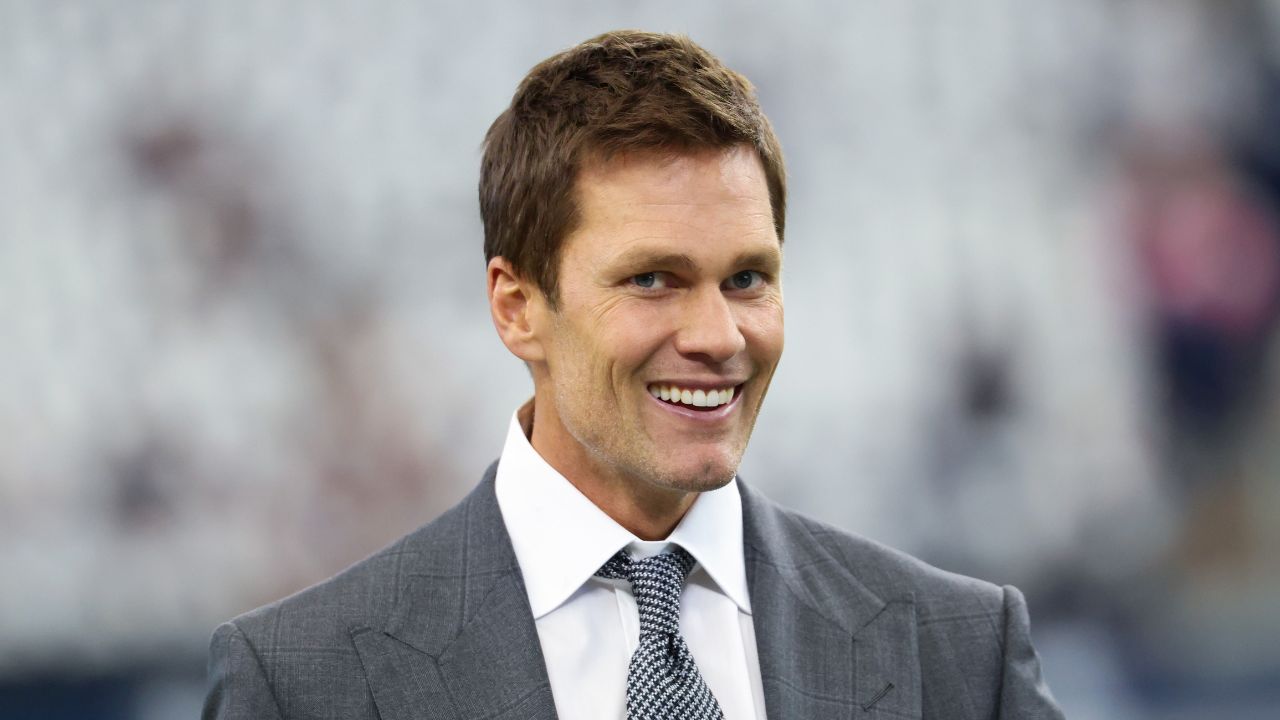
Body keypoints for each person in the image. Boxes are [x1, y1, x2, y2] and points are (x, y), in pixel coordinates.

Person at [203, 30, 1064, 719]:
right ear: (517, 307)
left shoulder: (959, 652)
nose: (717, 336)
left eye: (747, 279)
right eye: (653, 279)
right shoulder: (298, 684)